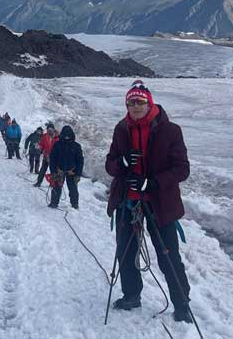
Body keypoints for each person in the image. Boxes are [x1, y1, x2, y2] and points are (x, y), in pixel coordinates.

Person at [105, 80, 193, 324]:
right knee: (125, 250)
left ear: (149, 102)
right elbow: (110, 163)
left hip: (160, 203)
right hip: (128, 201)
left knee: (168, 255)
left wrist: (152, 183)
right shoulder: (121, 129)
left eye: (140, 101)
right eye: (131, 102)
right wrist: (122, 163)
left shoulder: (170, 130)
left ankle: (182, 304)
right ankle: (132, 295)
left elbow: (182, 169)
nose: (135, 106)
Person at [47, 125, 84, 209]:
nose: (67, 137)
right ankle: (54, 203)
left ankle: (75, 205)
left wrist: (78, 174)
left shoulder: (76, 146)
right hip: (59, 171)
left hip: (72, 172)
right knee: (56, 187)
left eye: (69, 135)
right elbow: (52, 159)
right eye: (65, 135)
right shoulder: (57, 144)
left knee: (73, 189)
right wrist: (53, 172)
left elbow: (80, 161)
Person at [33, 123, 58, 187]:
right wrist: (39, 146)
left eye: (51, 129)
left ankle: (53, 183)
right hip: (46, 156)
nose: (49, 130)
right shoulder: (44, 136)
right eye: (48, 129)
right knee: (42, 170)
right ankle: (38, 182)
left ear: (53, 129)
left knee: (53, 171)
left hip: (54, 158)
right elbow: (41, 144)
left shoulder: (57, 137)